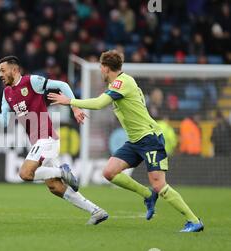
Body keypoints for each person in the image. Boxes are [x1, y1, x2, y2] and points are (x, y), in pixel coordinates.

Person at [49, 50, 204, 232]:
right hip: (135, 141)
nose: (100, 71)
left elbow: (99, 104)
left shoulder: (122, 82)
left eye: (101, 68)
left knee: (159, 184)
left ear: (106, 68)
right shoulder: (121, 82)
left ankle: (194, 220)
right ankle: (147, 195)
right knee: (109, 172)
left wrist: (70, 101)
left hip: (149, 138)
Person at [0, 55, 108, 225]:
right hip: (39, 142)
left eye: (2, 70)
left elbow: (62, 85)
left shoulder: (32, 82)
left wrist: (75, 107)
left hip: (47, 138)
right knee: (55, 187)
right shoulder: (7, 93)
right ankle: (96, 211)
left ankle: (61, 171)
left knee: (25, 173)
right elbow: (4, 122)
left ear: (14, 70)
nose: (0, 74)